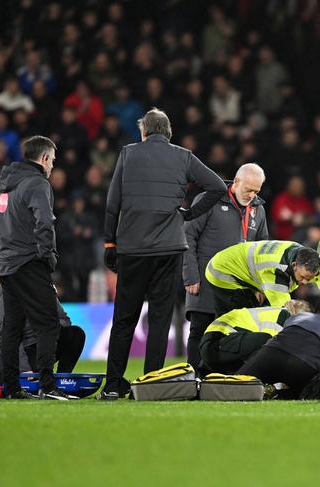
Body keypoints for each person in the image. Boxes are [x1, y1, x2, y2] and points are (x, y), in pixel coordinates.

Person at [100, 108, 225, 400]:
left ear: (144, 131)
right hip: (170, 249)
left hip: (133, 249)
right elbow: (217, 186)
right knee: (159, 320)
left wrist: (109, 243)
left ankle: (113, 386)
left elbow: (112, 202)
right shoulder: (183, 156)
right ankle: (150, 385)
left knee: (124, 319)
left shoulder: (128, 154)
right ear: (168, 133)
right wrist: (190, 213)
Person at [0, 135, 74, 400]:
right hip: (30, 264)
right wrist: (47, 257)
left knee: (11, 327)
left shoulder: (1, 187)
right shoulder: (37, 184)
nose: (53, 167)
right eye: (52, 161)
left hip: (8, 268)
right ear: (44, 158)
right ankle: (48, 385)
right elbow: (45, 222)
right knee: (48, 324)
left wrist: (1, 255)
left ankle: (11, 388)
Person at [183, 163, 268, 370]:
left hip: (240, 290)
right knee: (200, 330)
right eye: (248, 189)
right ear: (236, 182)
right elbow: (187, 236)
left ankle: (223, 380)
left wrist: (260, 286)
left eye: (256, 191)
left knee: (232, 335)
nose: (252, 195)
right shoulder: (208, 200)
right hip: (205, 282)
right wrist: (191, 275)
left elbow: (262, 250)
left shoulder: (258, 209)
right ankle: (194, 378)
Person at [238, 300, 320, 398]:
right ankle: (281, 395)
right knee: (308, 393)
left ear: (316, 312)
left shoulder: (297, 317)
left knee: (236, 385)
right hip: (304, 364)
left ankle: (269, 392)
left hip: (271, 353)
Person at [205, 240, 320, 315]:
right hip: (222, 271)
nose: (305, 282)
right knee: (246, 318)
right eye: (303, 277)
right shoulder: (276, 273)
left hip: (233, 260)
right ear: (294, 265)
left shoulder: (298, 252)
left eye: (310, 278)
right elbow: (284, 312)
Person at [199, 300, 311, 374]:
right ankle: (244, 378)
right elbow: (271, 350)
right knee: (269, 344)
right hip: (218, 343)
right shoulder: (283, 317)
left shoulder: (275, 312)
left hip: (215, 346)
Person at [0, 293, 85, 375]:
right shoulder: (9, 296)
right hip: (6, 351)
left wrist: (48, 326)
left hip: (36, 345)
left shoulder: (45, 291)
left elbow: (65, 321)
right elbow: (11, 338)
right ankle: (32, 373)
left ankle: (62, 380)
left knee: (75, 334)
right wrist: (25, 370)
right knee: (34, 364)